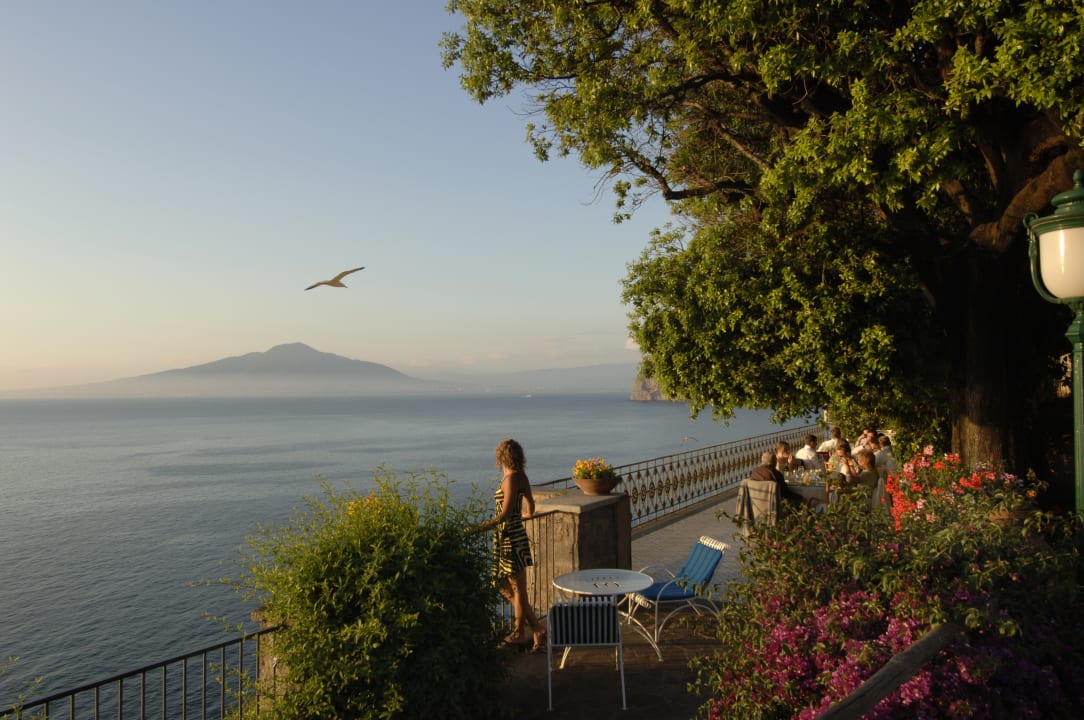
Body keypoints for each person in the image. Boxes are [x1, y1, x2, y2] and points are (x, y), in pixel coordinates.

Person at [476, 438, 546, 652]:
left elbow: (505, 513)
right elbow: (530, 508)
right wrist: (520, 516)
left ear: (501, 457)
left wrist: (479, 527)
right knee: (509, 585)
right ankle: (536, 628)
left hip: (508, 538)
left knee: (514, 587)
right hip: (516, 535)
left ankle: (519, 632)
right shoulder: (522, 477)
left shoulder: (509, 479)